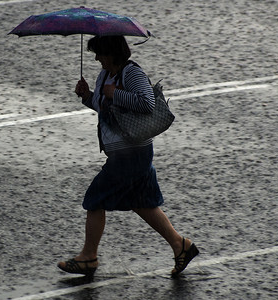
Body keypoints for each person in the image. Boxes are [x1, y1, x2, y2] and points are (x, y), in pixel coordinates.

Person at [57, 35, 199, 278]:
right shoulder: (106, 75)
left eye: (99, 53)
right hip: (128, 151)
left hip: (131, 153)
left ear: (112, 52)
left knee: (95, 199)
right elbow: (106, 109)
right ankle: (180, 245)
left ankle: (88, 257)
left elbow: (147, 104)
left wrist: (115, 94)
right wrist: (88, 96)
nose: (96, 58)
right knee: (142, 202)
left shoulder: (131, 73)